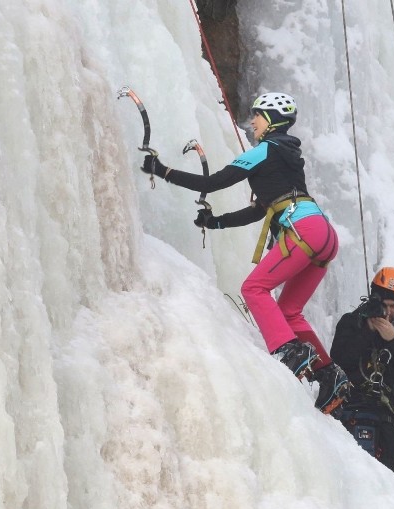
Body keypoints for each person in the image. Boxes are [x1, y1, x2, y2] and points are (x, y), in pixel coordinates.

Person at [141, 92, 348, 413]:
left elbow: (214, 182)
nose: (252, 121)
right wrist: (216, 222)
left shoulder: (265, 149)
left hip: (304, 230)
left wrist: (164, 170)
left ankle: (288, 351)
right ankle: (328, 373)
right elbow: (258, 211)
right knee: (289, 311)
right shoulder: (286, 156)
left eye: (258, 115)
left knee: (253, 288)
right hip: (323, 234)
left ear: (272, 121)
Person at [330, 267, 394, 472]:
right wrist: (367, 331)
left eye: (393, 306)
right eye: (383, 305)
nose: (387, 311)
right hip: (352, 407)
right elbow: (339, 359)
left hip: (390, 416)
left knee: (384, 479)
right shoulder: (352, 322)